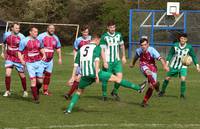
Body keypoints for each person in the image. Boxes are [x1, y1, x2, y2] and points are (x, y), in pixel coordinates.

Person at [64, 33, 146, 114]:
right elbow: (96, 60)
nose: (99, 42)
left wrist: (72, 77)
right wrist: (96, 74)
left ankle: (69, 109)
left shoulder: (82, 48)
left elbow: (76, 64)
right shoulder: (97, 47)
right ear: (96, 39)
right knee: (117, 79)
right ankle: (138, 88)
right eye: (99, 40)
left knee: (79, 91)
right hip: (94, 72)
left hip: (85, 75)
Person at [130, 38, 169, 107]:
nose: (143, 46)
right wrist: (132, 63)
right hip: (143, 65)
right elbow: (136, 57)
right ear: (140, 45)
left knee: (151, 87)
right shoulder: (139, 51)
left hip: (152, 67)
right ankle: (155, 84)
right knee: (148, 72)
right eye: (142, 45)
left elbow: (161, 59)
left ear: (148, 44)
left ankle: (144, 102)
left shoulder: (152, 50)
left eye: (145, 45)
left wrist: (165, 66)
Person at [158, 33, 200, 98]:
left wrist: (197, 66)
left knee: (183, 79)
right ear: (179, 39)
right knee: (167, 78)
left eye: (184, 39)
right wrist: (167, 63)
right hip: (174, 65)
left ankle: (182, 95)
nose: (182, 40)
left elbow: (194, 56)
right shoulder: (175, 45)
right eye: (181, 38)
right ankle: (162, 91)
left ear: (186, 40)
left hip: (183, 66)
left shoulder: (189, 47)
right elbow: (170, 54)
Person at [18, 26, 46, 104]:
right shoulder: (24, 41)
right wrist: (21, 60)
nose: (36, 33)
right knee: (33, 81)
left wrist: (44, 54)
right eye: (34, 32)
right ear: (30, 32)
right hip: (29, 64)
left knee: (40, 81)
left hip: (39, 62)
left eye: (37, 32)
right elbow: (19, 52)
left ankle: (36, 90)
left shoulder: (39, 41)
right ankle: (36, 98)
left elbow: (41, 48)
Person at [100, 20, 126, 101]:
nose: (113, 29)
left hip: (117, 61)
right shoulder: (104, 36)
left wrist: (124, 56)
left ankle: (114, 92)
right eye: (111, 27)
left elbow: (122, 46)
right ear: (107, 28)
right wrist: (104, 61)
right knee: (105, 78)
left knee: (120, 77)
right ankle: (104, 95)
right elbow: (102, 50)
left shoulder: (119, 35)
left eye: (114, 27)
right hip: (108, 61)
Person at [64, 25, 91, 99]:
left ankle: (72, 92)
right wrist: (75, 59)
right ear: (82, 32)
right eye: (84, 32)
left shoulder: (91, 39)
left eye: (87, 32)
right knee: (78, 78)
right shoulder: (78, 40)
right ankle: (74, 92)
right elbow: (75, 50)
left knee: (80, 78)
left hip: (88, 62)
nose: (86, 33)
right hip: (80, 61)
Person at [1, 22, 28, 97]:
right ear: (12, 28)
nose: (18, 29)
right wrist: (2, 52)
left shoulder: (22, 36)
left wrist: (23, 59)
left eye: (18, 28)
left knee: (22, 75)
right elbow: (3, 43)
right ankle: (7, 91)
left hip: (18, 58)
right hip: (9, 57)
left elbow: (25, 48)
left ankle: (25, 91)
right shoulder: (6, 34)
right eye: (16, 28)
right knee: (7, 74)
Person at [37, 24, 62, 96]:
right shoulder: (41, 36)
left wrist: (60, 58)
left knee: (48, 75)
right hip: (41, 60)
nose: (52, 30)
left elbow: (58, 48)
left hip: (50, 60)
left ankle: (45, 90)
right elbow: (36, 45)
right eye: (50, 28)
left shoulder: (55, 38)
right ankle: (36, 89)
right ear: (47, 29)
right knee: (39, 77)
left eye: (53, 28)